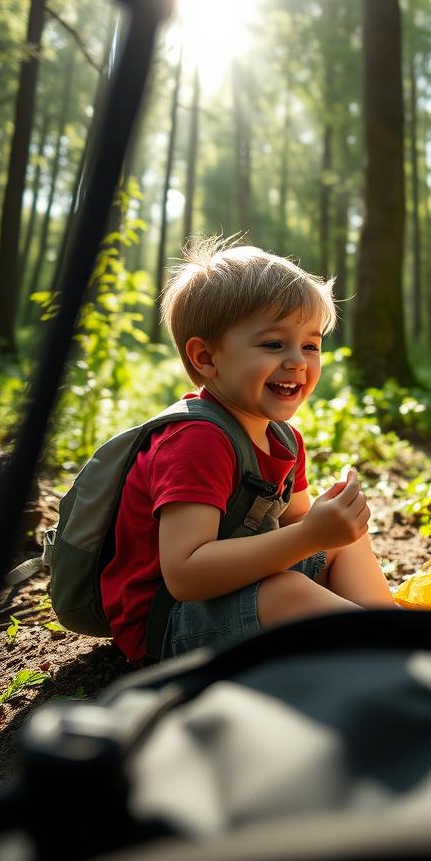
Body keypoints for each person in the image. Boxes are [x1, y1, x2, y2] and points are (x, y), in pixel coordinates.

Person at [100, 237, 393, 663]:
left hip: (242, 588)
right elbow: (186, 573)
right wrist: (312, 534)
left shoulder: (283, 438)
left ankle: (401, 633)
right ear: (206, 358)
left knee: (344, 545)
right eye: (274, 344)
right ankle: (391, 657)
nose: (298, 361)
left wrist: (324, 528)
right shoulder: (197, 440)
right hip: (169, 622)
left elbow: (294, 525)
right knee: (287, 591)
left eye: (310, 345)